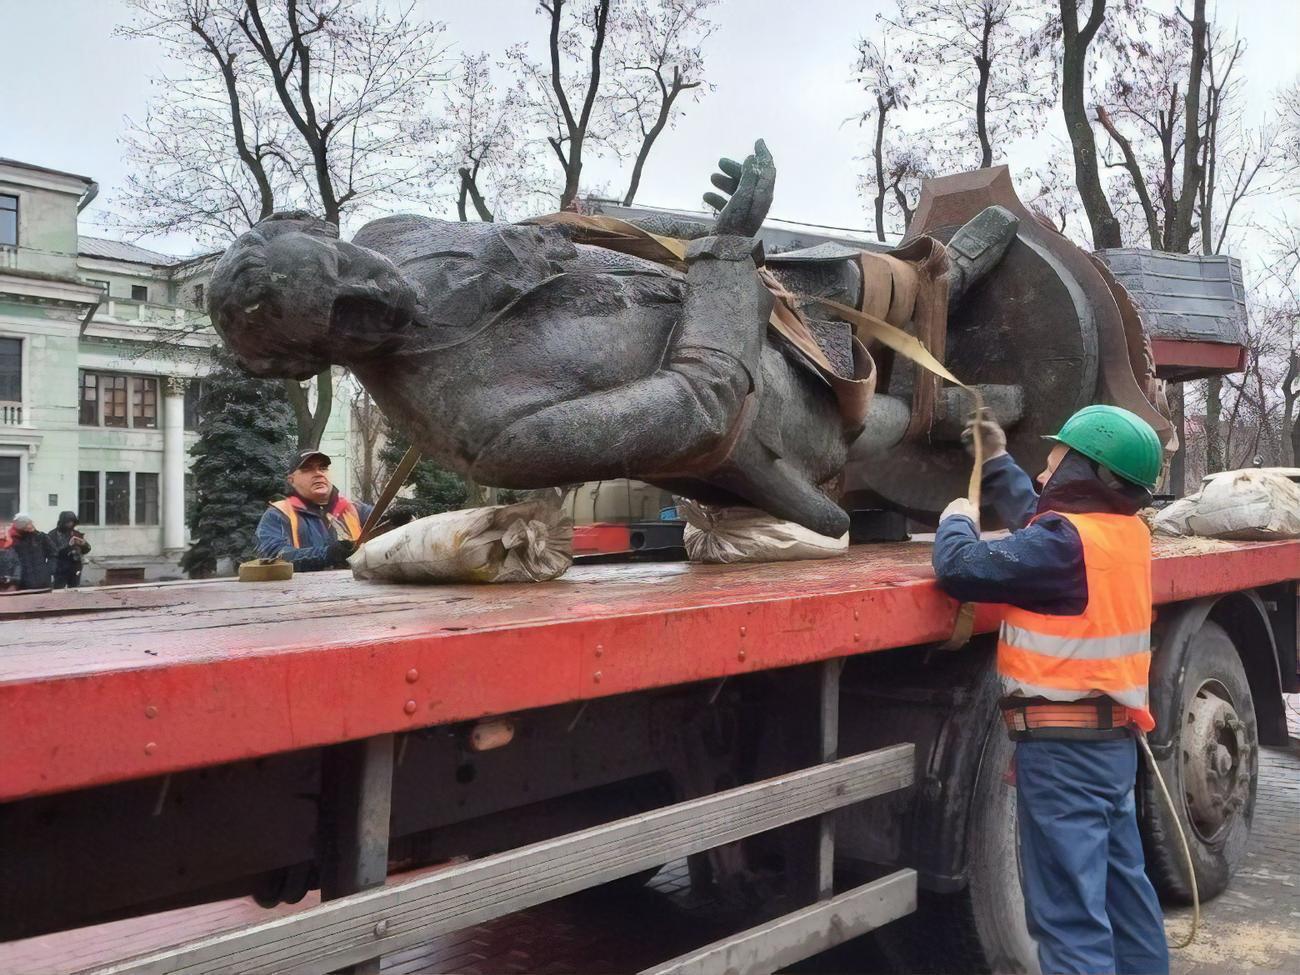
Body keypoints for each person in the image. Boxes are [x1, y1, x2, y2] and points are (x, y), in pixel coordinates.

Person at [932, 405, 1169, 975]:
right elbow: (1039, 520)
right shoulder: (1123, 533)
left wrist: (956, 520)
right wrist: (997, 463)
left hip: (1063, 756)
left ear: (1086, 471)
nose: (1044, 470)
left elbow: (961, 568)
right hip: (1109, 746)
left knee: (1068, 918)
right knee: (1124, 896)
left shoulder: (1065, 547)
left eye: (1056, 457)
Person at [256, 450, 373, 572]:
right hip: (301, 590)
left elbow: (385, 522)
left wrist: (393, 518)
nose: (318, 473)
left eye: (323, 468)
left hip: (357, 590)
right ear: (291, 480)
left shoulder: (353, 509)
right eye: (307, 469)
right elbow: (273, 557)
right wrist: (327, 554)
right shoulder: (278, 515)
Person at [7, 512, 56, 592]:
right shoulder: (11, 541)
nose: (31, 525)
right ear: (21, 527)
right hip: (22, 584)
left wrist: (49, 570)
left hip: (43, 582)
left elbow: (53, 553)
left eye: (30, 522)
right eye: (28, 524)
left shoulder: (40, 537)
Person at [48, 511, 91, 589]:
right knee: (58, 589)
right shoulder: (53, 535)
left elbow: (87, 550)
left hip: (75, 566)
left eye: (72, 522)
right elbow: (52, 552)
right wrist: (68, 546)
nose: (70, 524)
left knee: (74, 589)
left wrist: (84, 544)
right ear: (62, 522)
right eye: (68, 522)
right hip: (60, 567)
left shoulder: (76, 533)